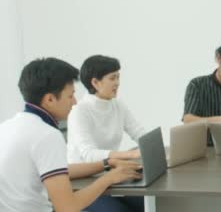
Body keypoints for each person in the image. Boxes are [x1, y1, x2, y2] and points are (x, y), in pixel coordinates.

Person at [0, 57, 141, 212]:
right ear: (50, 99)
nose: (74, 102)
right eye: (70, 95)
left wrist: (106, 163)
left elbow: (61, 169)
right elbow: (67, 208)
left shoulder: (8, 127)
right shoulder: (47, 135)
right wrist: (108, 178)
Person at [67, 55, 146, 212]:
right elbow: (88, 154)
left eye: (118, 77)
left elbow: (138, 131)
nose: (117, 83)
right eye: (112, 78)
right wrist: (129, 154)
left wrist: (151, 146)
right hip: (83, 183)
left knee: (152, 203)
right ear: (95, 82)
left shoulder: (117, 104)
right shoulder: (79, 111)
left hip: (111, 177)